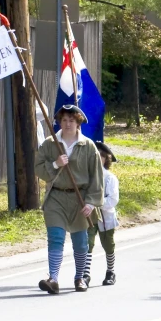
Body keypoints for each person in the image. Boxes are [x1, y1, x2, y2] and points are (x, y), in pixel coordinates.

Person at [34, 105, 104, 295]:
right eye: (64, 120)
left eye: (71, 120)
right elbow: (38, 168)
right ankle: (53, 279)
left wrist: (91, 202)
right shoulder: (50, 144)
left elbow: (97, 177)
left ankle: (80, 277)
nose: (67, 124)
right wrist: (56, 164)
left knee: (80, 242)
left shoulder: (88, 146)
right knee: (55, 237)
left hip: (80, 199)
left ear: (78, 122)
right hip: (56, 196)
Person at [83, 142, 119, 287]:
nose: (97, 159)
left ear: (106, 159)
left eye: (101, 157)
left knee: (108, 245)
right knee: (87, 244)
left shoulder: (110, 178)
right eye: (95, 156)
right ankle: (85, 274)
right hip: (90, 216)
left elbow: (112, 199)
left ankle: (110, 271)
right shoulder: (86, 177)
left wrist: (95, 203)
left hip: (105, 217)